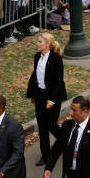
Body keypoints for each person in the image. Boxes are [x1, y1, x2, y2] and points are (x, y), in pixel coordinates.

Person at [26, 32, 67, 166]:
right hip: (40, 96)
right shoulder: (37, 56)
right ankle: (46, 155)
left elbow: (59, 81)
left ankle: (66, 142)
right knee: (42, 127)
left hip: (52, 96)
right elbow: (35, 76)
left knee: (51, 125)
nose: (37, 44)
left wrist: (52, 100)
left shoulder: (56, 59)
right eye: (37, 41)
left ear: (47, 44)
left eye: (40, 42)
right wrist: (32, 94)